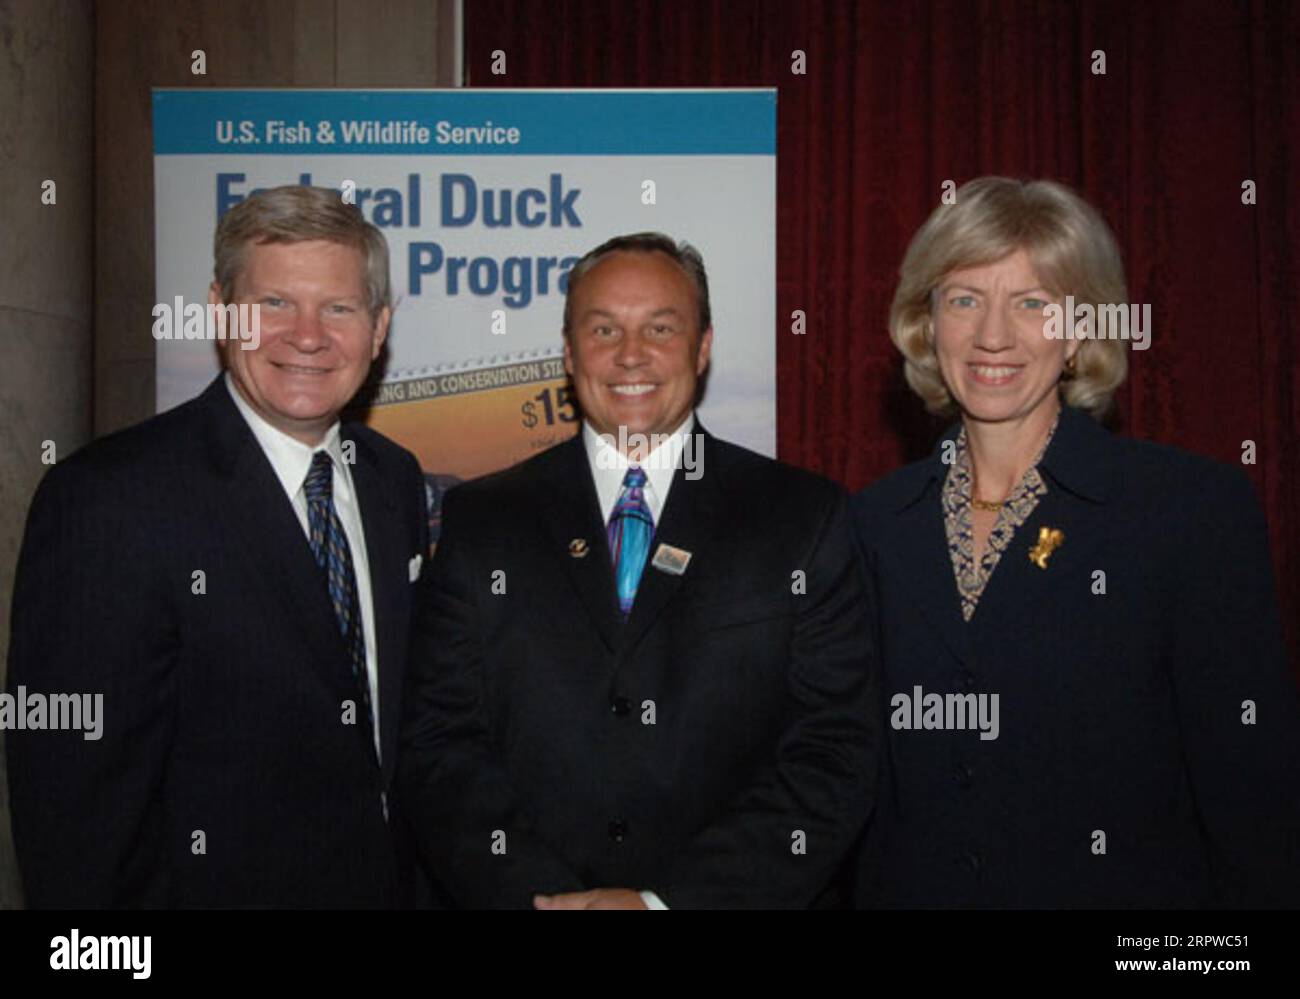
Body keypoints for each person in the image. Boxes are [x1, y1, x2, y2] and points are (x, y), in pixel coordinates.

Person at [852, 177, 1300, 908]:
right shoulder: (871, 525)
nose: (994, 334)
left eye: (1034, 303)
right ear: (925, 324)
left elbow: (1254, 800)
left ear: (1081, 330)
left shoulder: (1187, 511)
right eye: (965, 298)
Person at [399, 232, 878, 908]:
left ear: (703, 345)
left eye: (661, 327)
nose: (631, 354)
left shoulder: (801, 517)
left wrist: (668, 904)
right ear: (567, 352)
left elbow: (835, 752)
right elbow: (439, 746)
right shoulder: (482, 520)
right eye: (604, 329)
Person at [5, 186, 430, 907]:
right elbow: (74, 820)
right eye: (273, 304)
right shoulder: (109, 498)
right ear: (219, 309)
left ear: (379, 325)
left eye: (339, 307)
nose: (307, 334)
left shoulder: (394, 479)